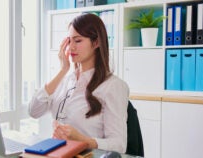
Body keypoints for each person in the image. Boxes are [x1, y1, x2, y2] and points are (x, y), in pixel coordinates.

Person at [28, 13, 129, 153]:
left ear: (96, 42)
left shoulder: (114, 86)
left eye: (78, 41)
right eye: (69, 41)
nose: (71, 47)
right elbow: (33, 111)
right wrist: (63, 69)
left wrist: (83, 140)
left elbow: (119, 145)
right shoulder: (65, 80)